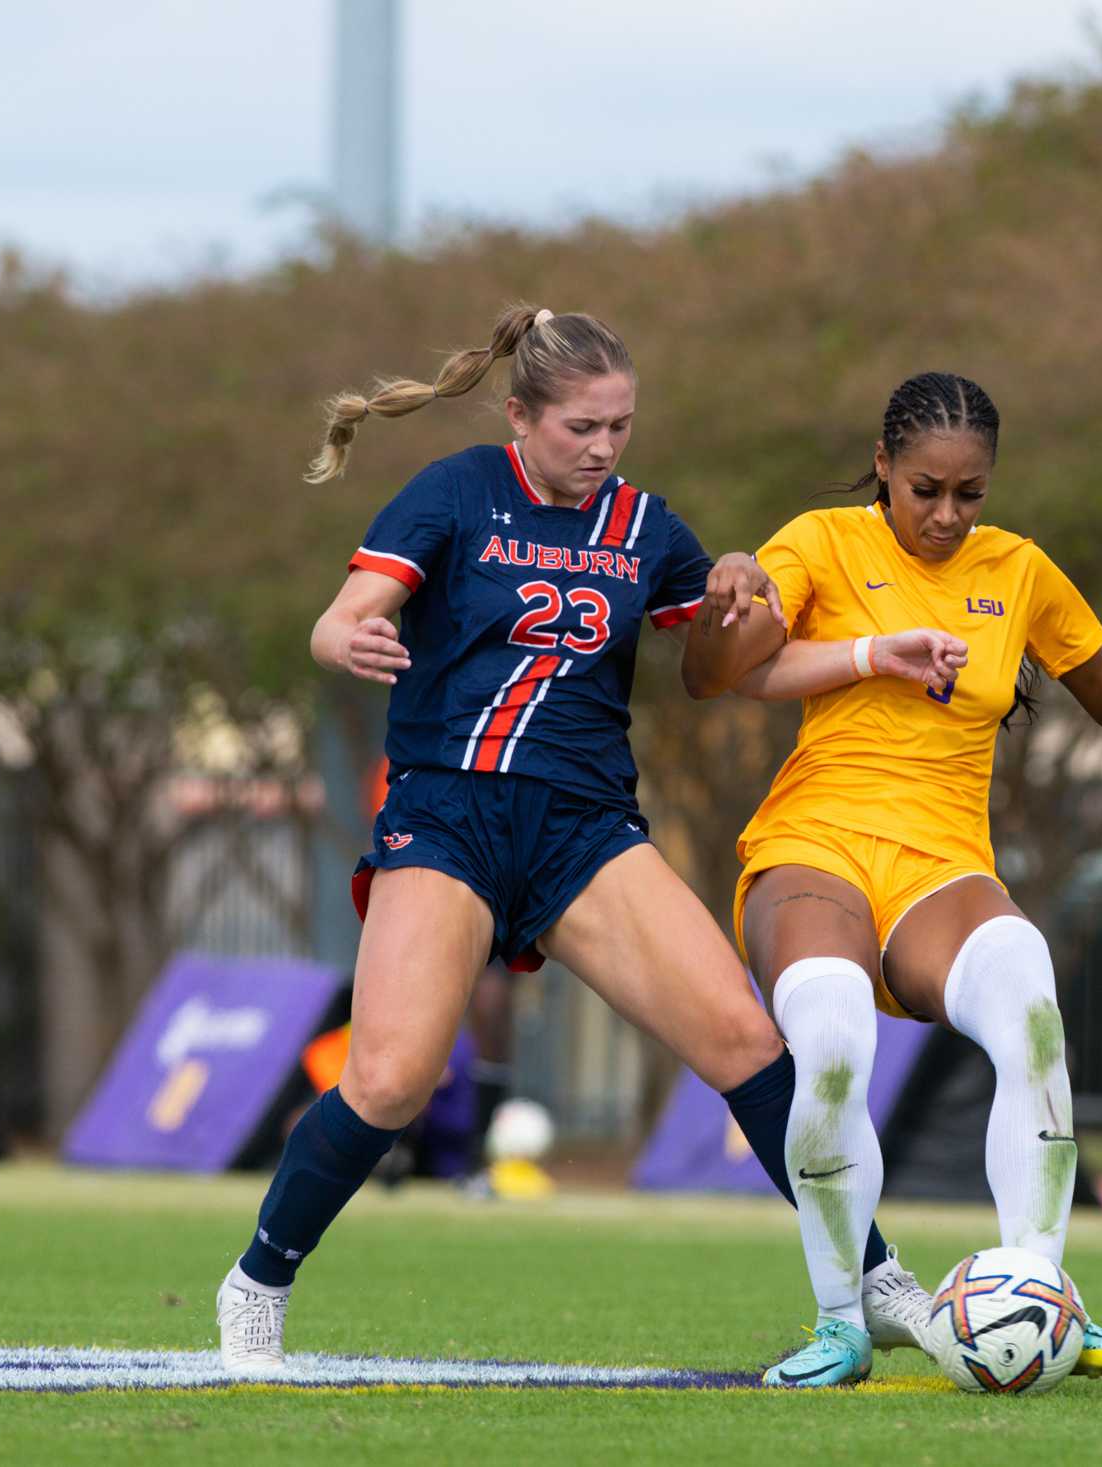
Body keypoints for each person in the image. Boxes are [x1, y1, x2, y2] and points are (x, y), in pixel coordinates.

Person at [213, 305, 967, 1376]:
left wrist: (865, 650)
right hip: (449, 813)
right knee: (389, 1081)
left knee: (747, 1047)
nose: (604, 448)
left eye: (620, 426)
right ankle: (258, 1283)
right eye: (582, 427)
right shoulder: (457, 490)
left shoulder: (647, 527)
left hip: (584, 828)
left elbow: (741, 665)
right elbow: (340, 616)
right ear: (522, 416)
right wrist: (351, 636)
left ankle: (878, 1280)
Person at [682, 370, 1102, 1387]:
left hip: (944, 863)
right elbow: (717, 671)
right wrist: (732, 587)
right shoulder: (819, 541)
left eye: (969, 493)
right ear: (881, 468)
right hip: (813, 845)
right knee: (827, 1043)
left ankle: (1037, 1305)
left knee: (1030, 999)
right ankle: (838, 1325)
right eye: (924, 490)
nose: (947, 514)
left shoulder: (1020, 570)